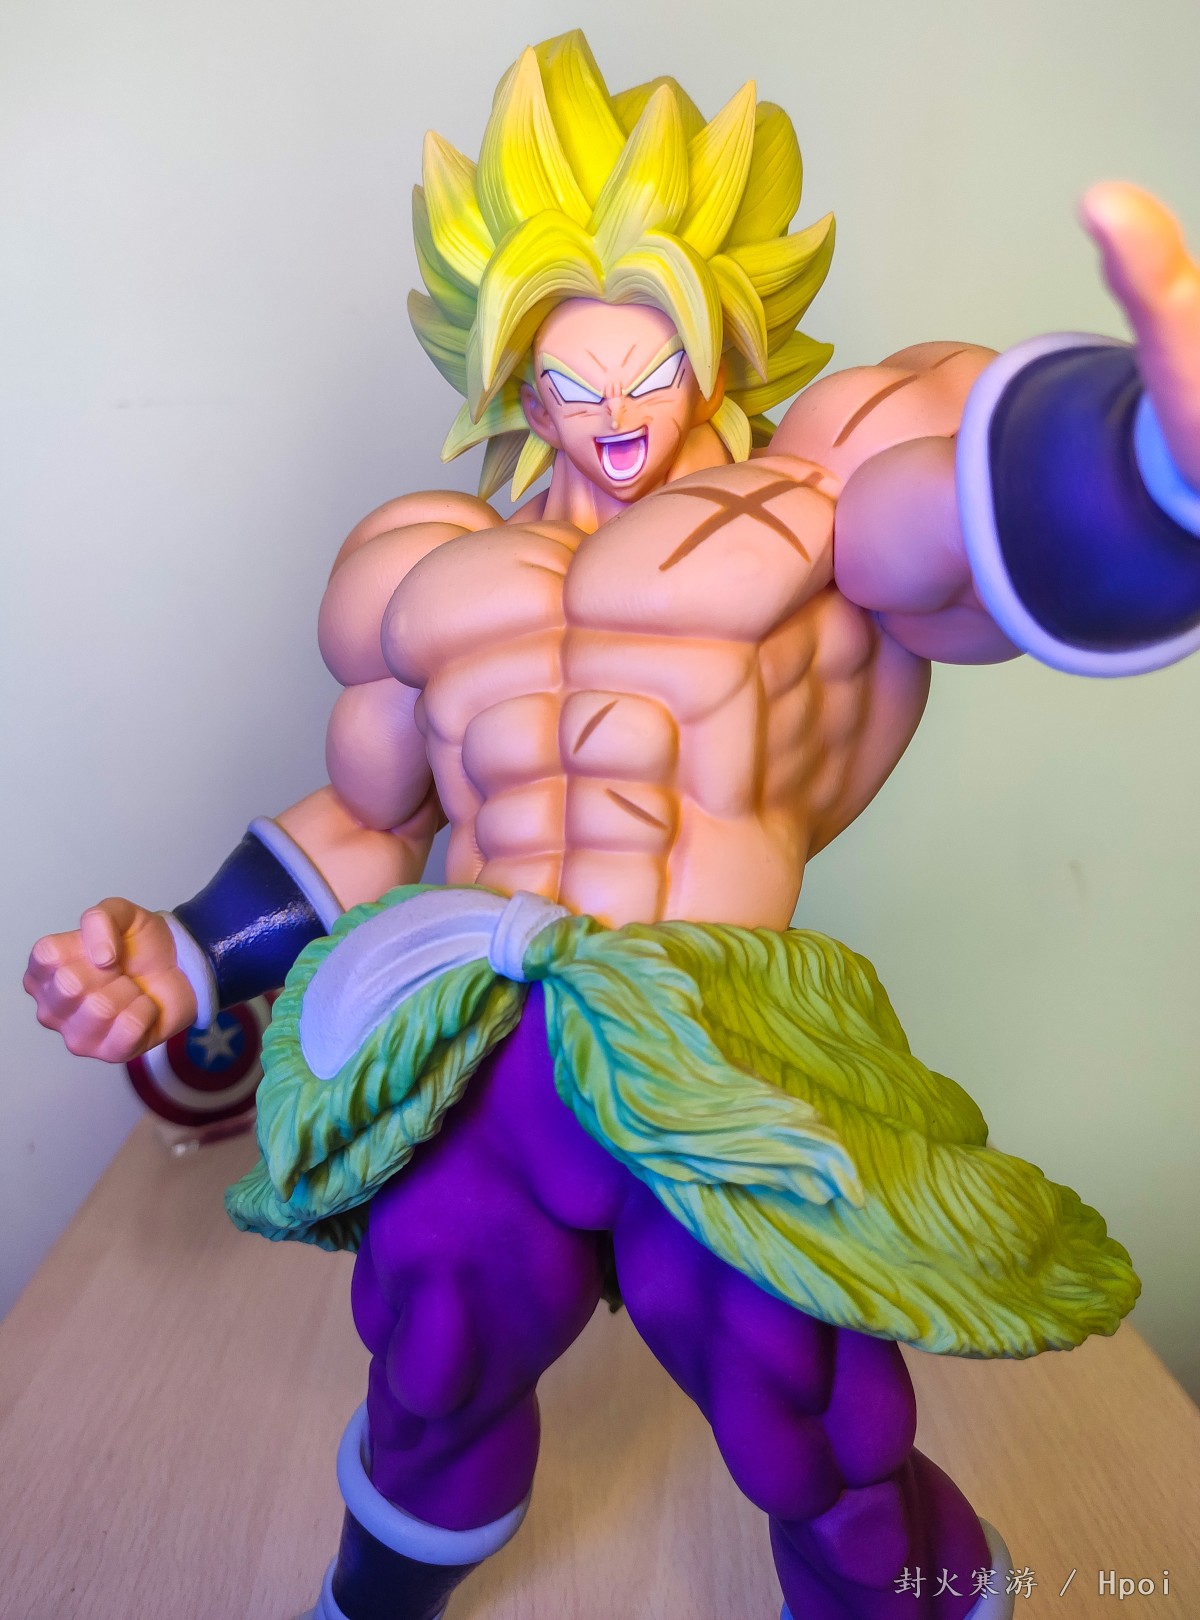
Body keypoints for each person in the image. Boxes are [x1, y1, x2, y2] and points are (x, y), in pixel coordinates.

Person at [23, 30, 1200, 1620]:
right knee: (429, 1360)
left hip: (708, 1048)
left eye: (651, 366)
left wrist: (1152, 463)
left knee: (809, 1418)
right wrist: (176, 956)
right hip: (490, 1044)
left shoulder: (811, 502)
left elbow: (965, 523)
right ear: (512, 371)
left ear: (719, 339)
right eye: (573, 377)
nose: (615, 411)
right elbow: (369, 820)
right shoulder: (428, 570)